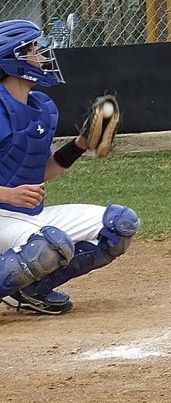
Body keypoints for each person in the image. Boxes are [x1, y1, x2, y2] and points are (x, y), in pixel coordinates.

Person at [0, 19, 139, 315]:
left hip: (25, 218)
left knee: (118, 224)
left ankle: (30, 290)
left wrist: (80, 144)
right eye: (33, 51)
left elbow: (41, 170)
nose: (42, 57)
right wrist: (8, 195)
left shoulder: (41, 107)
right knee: (51, 244)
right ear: (12, 60)